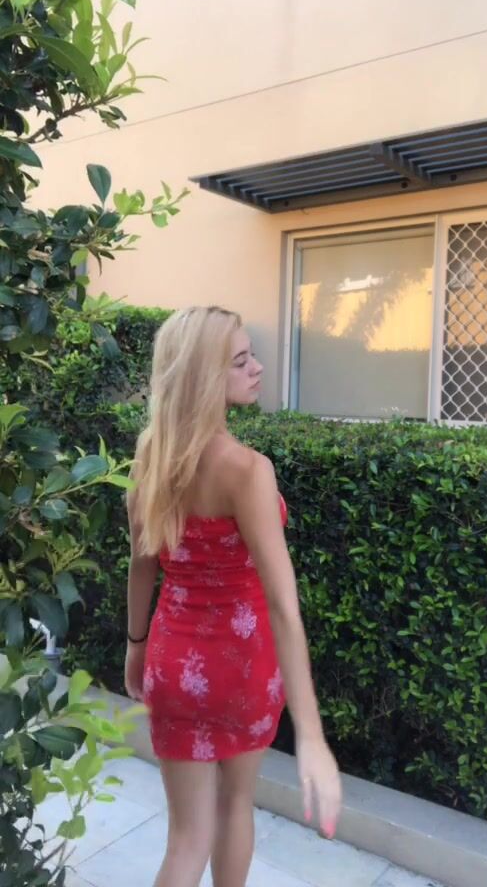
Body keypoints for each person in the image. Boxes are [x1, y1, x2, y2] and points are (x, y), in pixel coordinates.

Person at [124, 306, 342, 887]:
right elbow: (283, 605)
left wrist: (135, 647)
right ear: (203, 378)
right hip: (241, 667)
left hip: (173, 662)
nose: (257, 367)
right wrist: (312, 735)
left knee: (185, 839)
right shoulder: (247, 470)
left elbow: (141, 564)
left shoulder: (150, 459)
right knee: (235, 804)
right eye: (241, 360)